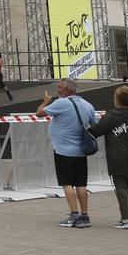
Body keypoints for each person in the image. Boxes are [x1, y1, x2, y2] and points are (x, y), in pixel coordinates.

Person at [36, 77, 97, 228]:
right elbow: (94, 125)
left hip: (63, 151)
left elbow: (39, 113)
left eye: (60, 87)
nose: (58, 89)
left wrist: (45, 101)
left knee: (67, 183)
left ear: (67, 90)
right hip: (81, 152)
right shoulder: (87, 105)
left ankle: (74, 215)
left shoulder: (61, 103)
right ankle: (85, 215)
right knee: (81, 184)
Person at [87, 85, 128, 228]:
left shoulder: (112, 116)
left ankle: (126, 219)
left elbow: (96, 131)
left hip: (119, 157)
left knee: (121, 187)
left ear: (117, 100)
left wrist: (85, 127)